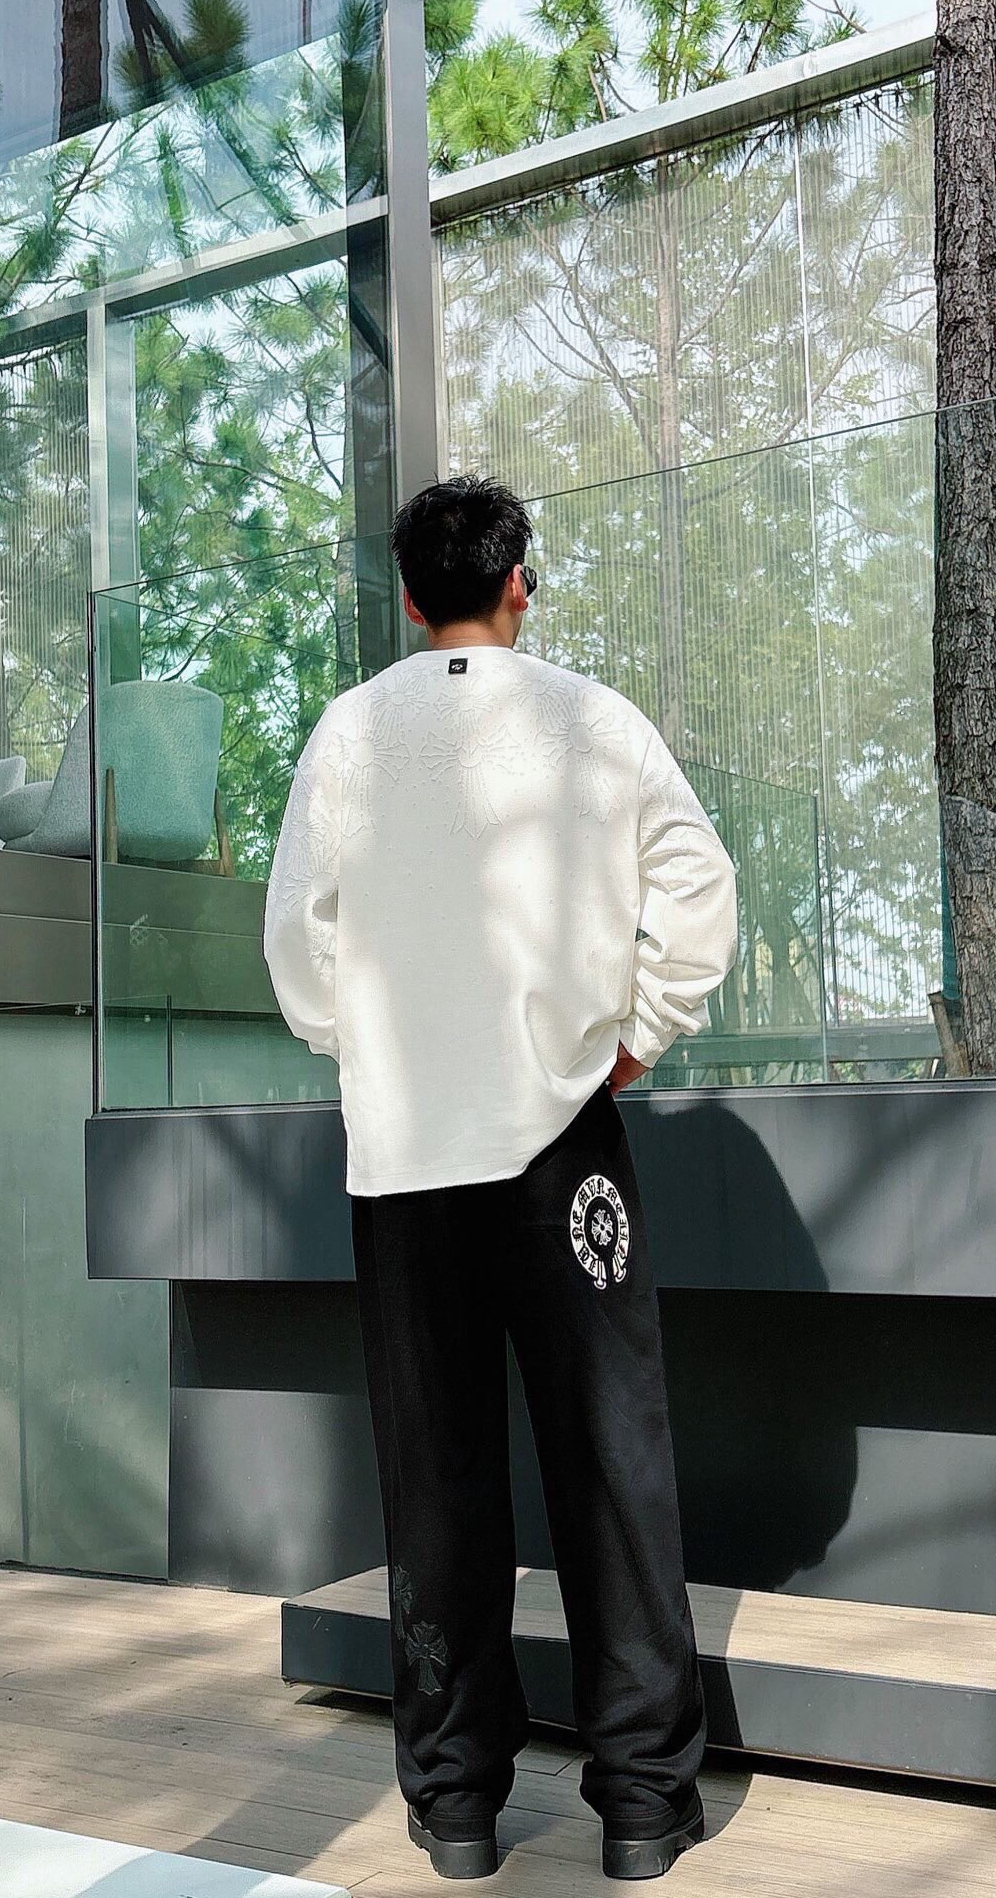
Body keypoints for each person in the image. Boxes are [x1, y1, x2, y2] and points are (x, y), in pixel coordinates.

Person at [264, 476, 738, 1882]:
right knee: (612, 1465)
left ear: (412, 597)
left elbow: (298, 945)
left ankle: (459, 1807)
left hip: (405, 1157)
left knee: (437, 1477)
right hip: (564, 1140)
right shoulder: (597, 721)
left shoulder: (351, 734)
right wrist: (637, 1036)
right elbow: (698, 889)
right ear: (518, 580)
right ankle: (642, 1806)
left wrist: (369, 1045)